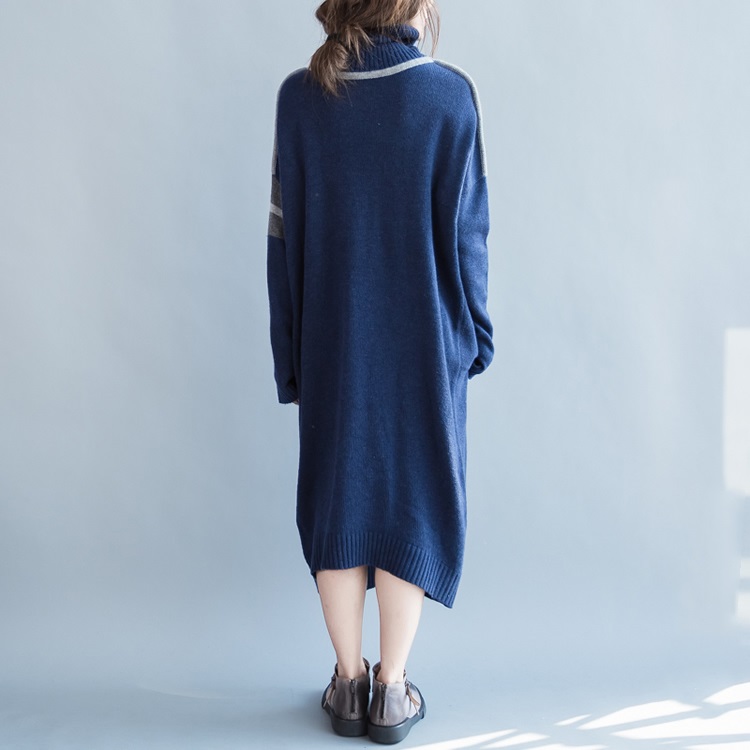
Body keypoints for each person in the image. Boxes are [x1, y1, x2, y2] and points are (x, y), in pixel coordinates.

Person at [266, 0, 493, 743]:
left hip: (333, 341)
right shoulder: (450, 95)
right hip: (426, 343)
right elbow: (469, 239)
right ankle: (392, 691)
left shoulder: (300, 98)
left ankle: (347, 683)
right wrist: (475, 337)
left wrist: (291, 354)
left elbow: (282, 242)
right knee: (411, 504)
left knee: (338, 500)